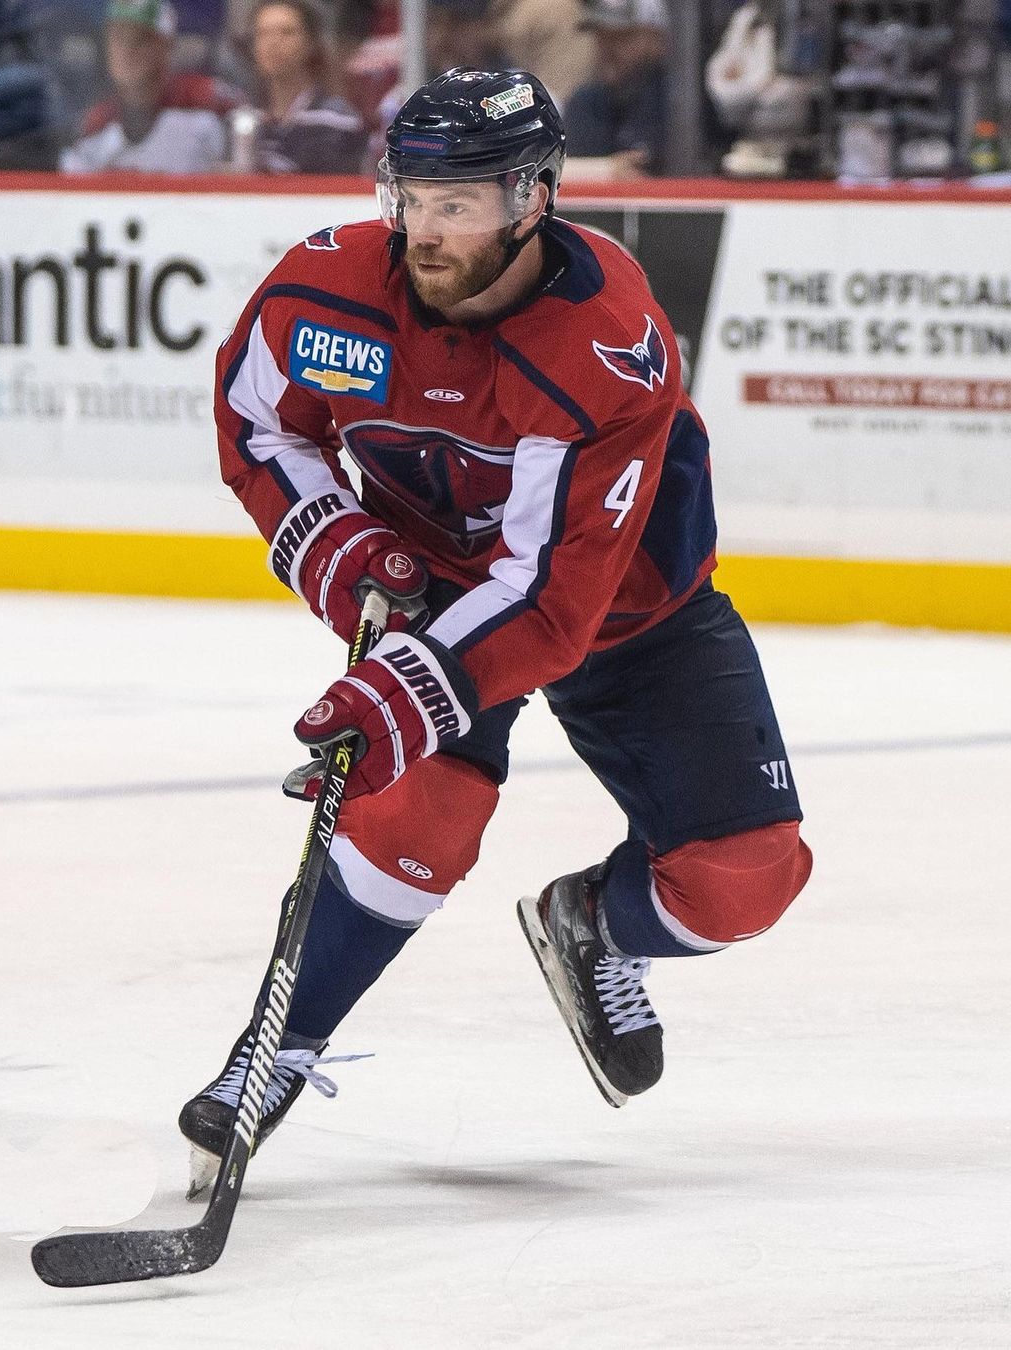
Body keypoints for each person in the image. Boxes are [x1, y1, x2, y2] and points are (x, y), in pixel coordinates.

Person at [179, 67, 812, 1185]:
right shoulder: (325, 294)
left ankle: (596, 928)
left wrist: (398, 691)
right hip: (425, 582)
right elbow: (254, 423)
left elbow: (552, 602)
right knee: (420, 816)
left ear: (533, 200)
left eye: (458, 204)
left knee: (744, 882)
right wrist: (338, 550)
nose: (424, 231)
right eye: (410, 196)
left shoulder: (604, 340)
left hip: (627, 608)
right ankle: (275, 1048)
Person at [60, 0, 243, 173]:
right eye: (118, 38)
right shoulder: (96, 122)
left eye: (140, 39)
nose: (127, 49)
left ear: (167, 46)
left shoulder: (207, 100)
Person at [244, 0, 367, 174]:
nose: (273, 42)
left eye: (287, 32)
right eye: (263, 33)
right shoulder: (244, 118)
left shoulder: (336, 120)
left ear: (310, 43)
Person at [564, 0, 670, 178]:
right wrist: (605, 171)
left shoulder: (678, 104)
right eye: (601, 35)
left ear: (655, 39)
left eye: (621, 36)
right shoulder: (585, 102)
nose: (607, 47)